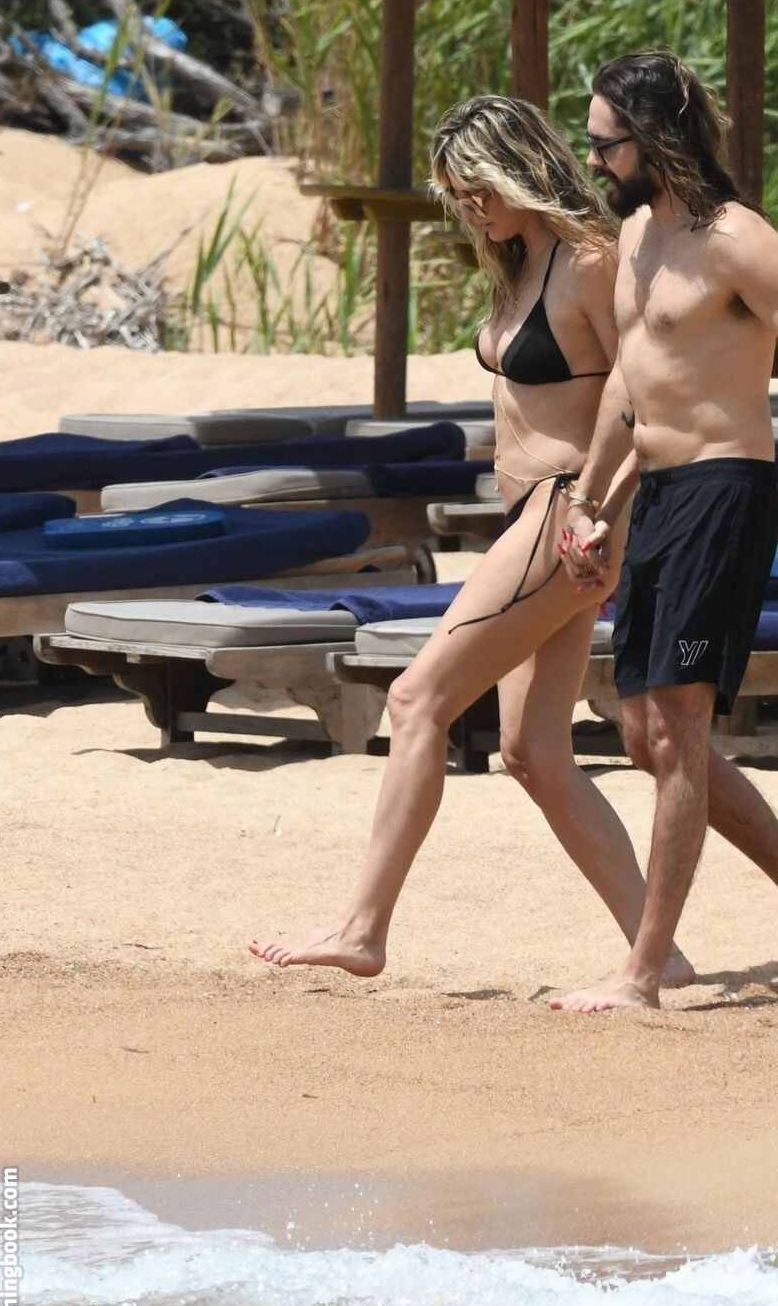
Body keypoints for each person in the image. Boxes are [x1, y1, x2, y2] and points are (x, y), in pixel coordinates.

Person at [249, 94, 692, 985]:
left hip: (567, 514)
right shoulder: (521, 264)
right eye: (459, 195)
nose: (473, 209)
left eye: (481, 189)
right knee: (534, 753)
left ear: (522, 170)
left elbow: (646, 400)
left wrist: (602, 513)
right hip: (536, 517)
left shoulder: (590, 261)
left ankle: (363, 929)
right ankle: (661, 953)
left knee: (416, 699)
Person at [551, 49, 778, 1014]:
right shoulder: (634, 237)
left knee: (679, 731)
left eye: (606, 144)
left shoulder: (736, 240)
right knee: (644, 737)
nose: (594, 160)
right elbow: (630, 387)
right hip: (657, 496)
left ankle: (643, 971)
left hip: (725, 494)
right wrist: (591, 500)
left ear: (657, 138)